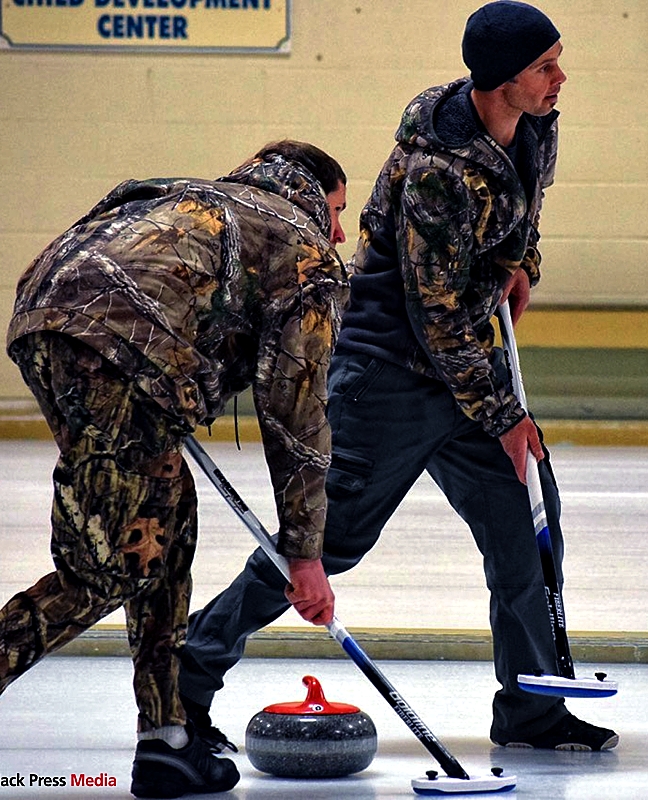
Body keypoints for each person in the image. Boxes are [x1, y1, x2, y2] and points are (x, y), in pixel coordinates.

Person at [177, 1, 619, 755]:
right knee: (327, 541)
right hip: (388, 375)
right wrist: (507, 414)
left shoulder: (535, 123)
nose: (560, 78)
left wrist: (519, 265)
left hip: (463, 368)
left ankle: (532, 710)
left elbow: (524, 220)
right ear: (501, 79)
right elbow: (436, 314)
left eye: (556, 61)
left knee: (524, 532)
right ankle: (188, 674)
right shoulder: (435, 171)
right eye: (545, 67)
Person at [0, 140, 350, 800]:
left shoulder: (190, 194)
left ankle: (167, 740)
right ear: (311, 194)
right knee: (112, 564)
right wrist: (305, 553)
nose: (340, 230)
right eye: (337, 209)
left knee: (160, 529)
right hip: (124, 356)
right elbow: (296, 409)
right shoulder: (303, 245)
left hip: (44, 320)